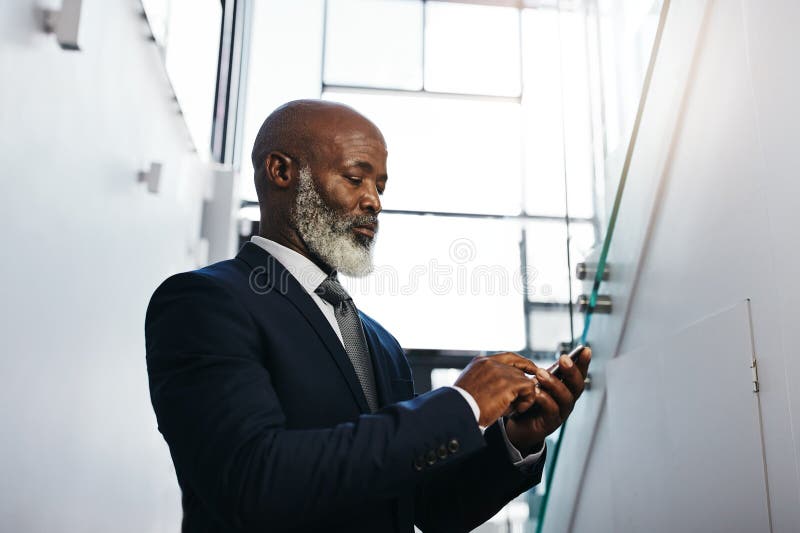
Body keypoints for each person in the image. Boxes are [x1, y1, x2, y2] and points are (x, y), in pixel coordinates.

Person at [145, 99, 591, 533]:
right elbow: (252, 482)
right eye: (356, 179)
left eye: (380, 187)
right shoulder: (202, 303)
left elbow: (429, 511)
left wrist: (516, 438)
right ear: (281, 172)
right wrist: (462, 405)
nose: (374, 202)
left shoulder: (379, 343)